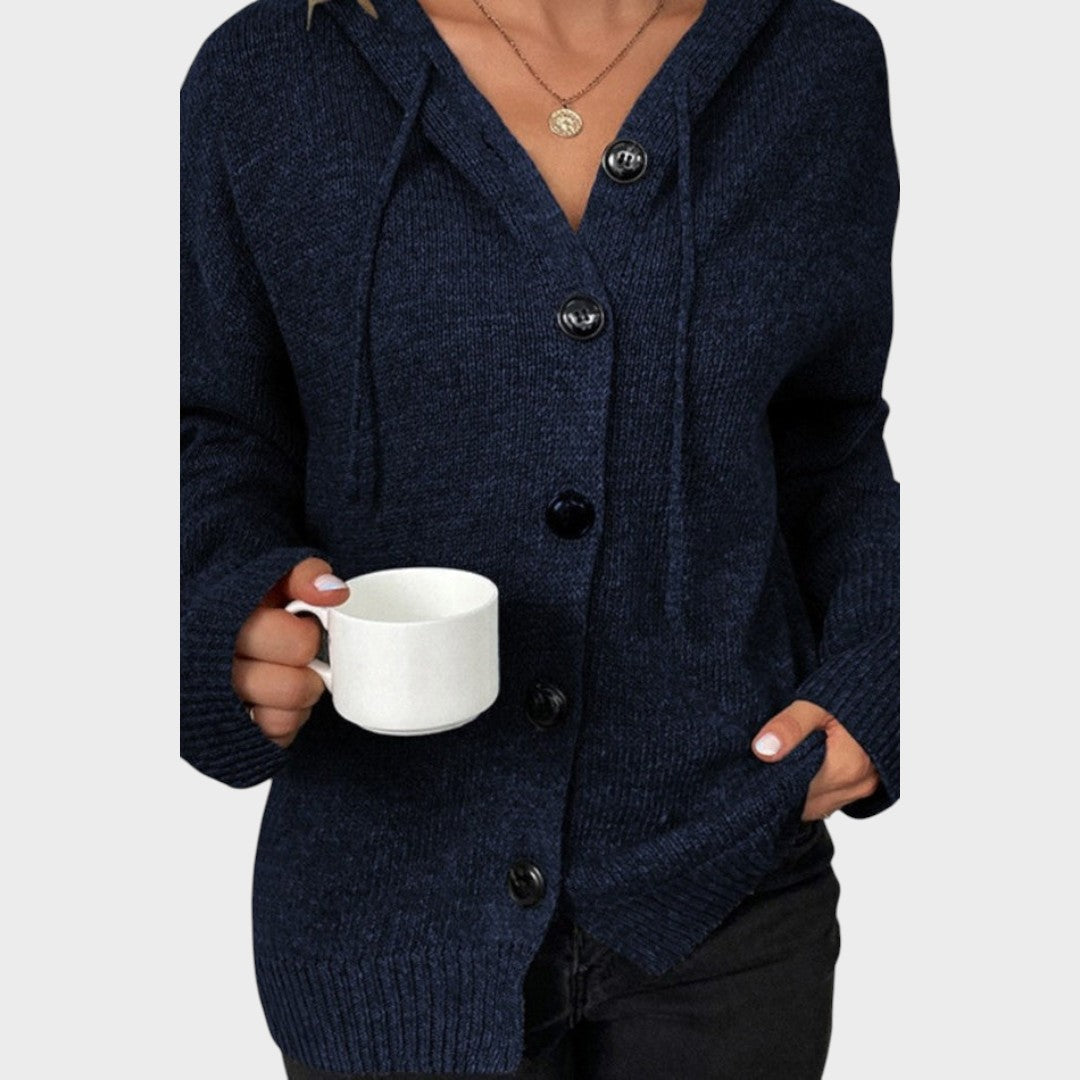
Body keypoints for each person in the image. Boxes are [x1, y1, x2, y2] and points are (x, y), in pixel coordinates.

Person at [179, 0, 900, 1077]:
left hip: (727, 878)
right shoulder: (267, 74)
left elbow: (830, 435)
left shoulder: (814, 64)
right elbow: (212, 431)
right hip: (386, 901)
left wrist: (882, 669)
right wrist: (228, 615)